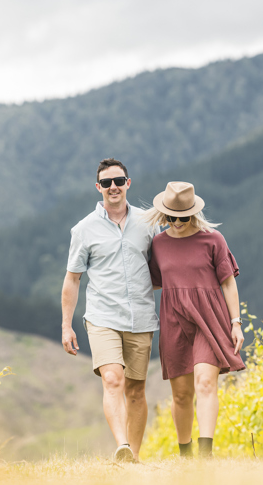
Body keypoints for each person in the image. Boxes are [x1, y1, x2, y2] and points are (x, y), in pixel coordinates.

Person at [61, 158, 157, 463]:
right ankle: (122, 446)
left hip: (141, 317)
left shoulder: (149, 223)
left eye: (118, 181)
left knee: (136, 389)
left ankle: (134, 458)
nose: (112, 187)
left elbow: (164, 266)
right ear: (98, 187)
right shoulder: (84, 230)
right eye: (106, 183)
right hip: (102, 317)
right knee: (113, 379)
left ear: (128, 183)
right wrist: (66, 325)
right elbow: (72, 279)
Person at [145, 181, 245, 458]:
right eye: (171, 217)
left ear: (194, 213)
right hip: (174, 320)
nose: (177, 222)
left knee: (204, 383)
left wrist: (236, 323)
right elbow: (154, 281)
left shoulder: (213, 239)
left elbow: (228, 283)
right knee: (180, 394)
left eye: (183, 217)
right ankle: (185, 452)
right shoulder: (158, 243)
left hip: (209, 319)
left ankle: (205, 454)